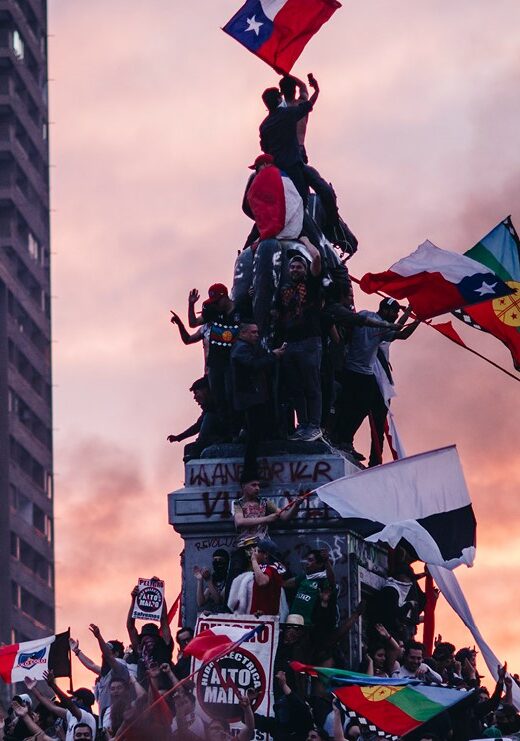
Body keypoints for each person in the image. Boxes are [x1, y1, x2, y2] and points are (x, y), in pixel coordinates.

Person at [336, 297, 419, 465]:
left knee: (354, 408)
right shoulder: (382, 329)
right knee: (363, 410)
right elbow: (402, 334)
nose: (396, 315)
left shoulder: (367, 316)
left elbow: (396, 327)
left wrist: (409, 312)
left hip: (351, 371)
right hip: (362, 374)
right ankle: (348, 443)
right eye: (395, 312)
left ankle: (346, 441)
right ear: (387, 311)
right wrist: (419, 319)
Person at [278, 239, 323, 441]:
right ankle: (302, 425)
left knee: (311, 384)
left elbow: (317, 258)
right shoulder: (284, 290)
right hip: (290, 343)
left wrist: (305, 240)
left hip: (309, 342)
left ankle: (314, 425)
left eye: (299, 266)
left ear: (305, 269)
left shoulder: (311, 284)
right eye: (293, 266)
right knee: (296, 388)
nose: (295, 269)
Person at [231, 322, 286, 479]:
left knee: (256, 435)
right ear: (243, 333)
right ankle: (249, 474)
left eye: (257, 332)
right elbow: (253, 365)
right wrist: (274, 355)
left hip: (253, 398)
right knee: (253, 438)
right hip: (250, 399)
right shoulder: (241, 349)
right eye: (253, 332)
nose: (256, 335)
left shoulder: (246, 348)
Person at [259, 74, 320, 203]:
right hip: (296, 153)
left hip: (277, 159)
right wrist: (286, 73)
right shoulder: (293, 110)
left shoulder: (270, 120)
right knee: (311, 187)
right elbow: (304, 88)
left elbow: (264, 148)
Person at [70, 625, 129, 725]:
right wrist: (77, 652)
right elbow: (91, 665)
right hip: (106, 721)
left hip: (119, 721)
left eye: (107, 651)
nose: (103, 654)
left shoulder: (120, 668)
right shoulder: (106, 673)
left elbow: (108, 656)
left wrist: (98, 637)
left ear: (116, 654)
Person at [23, 671, 97, 741]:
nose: (72, 700)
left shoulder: (86, 717)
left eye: (74, 698)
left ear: (80, 701)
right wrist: (33, 688)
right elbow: (52, 707)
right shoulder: (72, 716)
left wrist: (53, 685)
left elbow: (69, 704)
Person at [126, 582, 173, 686]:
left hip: (165, 690)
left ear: (158, 639)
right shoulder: (139, 649)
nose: (149, 640)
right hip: (146, 692)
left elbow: (164, 619)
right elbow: (130, 626)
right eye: (146, 637)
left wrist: (159, 594)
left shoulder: (164, 646)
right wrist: (134, 599)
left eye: (152, 637)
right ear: (140, 640)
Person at [167, 376, 222, 460]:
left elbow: (200, 428)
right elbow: (197, 426)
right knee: (188, 448)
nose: (195, 398)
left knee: (209, 418)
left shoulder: (215, 410)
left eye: (196, 393)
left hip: (221, 439)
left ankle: (196, 452)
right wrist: (178, 437)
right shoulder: (209, 410)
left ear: (205, 390)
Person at [284, 550, 336, 633]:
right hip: (292, 622)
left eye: (310, 560)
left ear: (320, 564)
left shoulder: (323, 580)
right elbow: (284, 584)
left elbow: (331, 581)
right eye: (307, 560)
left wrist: (326, 561)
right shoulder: (304, 577)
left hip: (308, 626)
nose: (307, 563)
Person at [194, 548, 230, 613]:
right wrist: (200, 580)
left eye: (220, 560)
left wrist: (208, 580)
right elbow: (201, 602)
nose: (217, 562)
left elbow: (219, 601)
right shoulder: (215, 578)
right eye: (215, 560)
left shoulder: (229, 579)